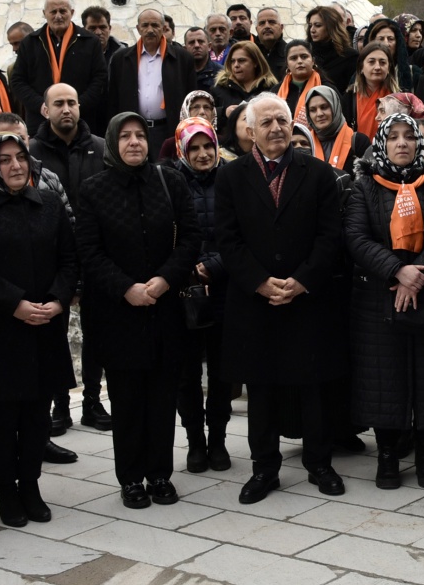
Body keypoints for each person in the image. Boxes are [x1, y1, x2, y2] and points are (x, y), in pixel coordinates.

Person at [214, 94, 348, 504]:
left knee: (312, 386)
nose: (276, 128)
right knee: (262, 388)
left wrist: (302, 280)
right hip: (254, 301)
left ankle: (319, 463)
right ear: (250, 132)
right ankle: (264, 469)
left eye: (283, 120)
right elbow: (227, 238)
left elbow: (331, 237)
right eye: (267, 122)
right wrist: (259, 281)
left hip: (306, 298)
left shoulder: (320, 174)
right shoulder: (231, 177)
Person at [0, 132, 78, 527]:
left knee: (37, 414)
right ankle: (6, 490)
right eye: (5, 159)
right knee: (2, 418)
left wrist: (58, 300)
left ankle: (31, 486)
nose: (15, 166)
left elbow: (69, 259)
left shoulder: (48, 203)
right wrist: (16, 305)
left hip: (44, 324)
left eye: (21, 157)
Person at [76, 113, 200, 508]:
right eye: (125, 136)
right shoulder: (93, 190)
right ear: (112, 141)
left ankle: (160, 474)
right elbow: (89, 253)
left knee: (163, 397)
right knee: (128, 399)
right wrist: (125, 288)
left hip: (164, 309)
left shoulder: (171, 181)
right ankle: (130, 478)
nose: (134, 142)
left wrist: (165, 279)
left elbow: (191, 237)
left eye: (140, 136)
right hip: (119, 313)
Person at [345, 112, 424, 490]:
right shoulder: (365, 186)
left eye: (410, 137)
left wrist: (417, 275)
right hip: (378, 298)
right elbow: (357, 238)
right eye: (394, 137)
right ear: (382, 144)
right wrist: (396, 270)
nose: (402, 143)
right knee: (383, 379)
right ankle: (387, 454)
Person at [28, 83, 111, 432]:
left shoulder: (101, 149)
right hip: (50, 258)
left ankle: (92, 400)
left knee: (96, 331)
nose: (67, 109)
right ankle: (59, 404)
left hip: (95, 253)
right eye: (58, 103)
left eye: (72, 103)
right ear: (45, 110)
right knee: (53, 333)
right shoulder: (31, 152)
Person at [169, 119, 233, 472]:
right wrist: (191, 268)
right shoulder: (170, 181)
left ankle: (219, 440)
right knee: (187, 372)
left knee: (223, 372)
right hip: (185, 288)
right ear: (182, 149)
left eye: (207, 145)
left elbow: (240, 233)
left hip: (224, 287)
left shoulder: (232, 179)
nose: (203, 153)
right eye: (194, 147)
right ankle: (195, 441)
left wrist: (214, 266)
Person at [10, 0, 109, 134]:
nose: (58, 16)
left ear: (72, 13)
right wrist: (42, 106)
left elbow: (100, 78)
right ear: (44, 14)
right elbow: (18, 80)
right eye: (53, 12)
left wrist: (76, 106)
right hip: (40, 122)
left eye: (63, 11)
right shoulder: (30, 43)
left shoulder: (90, 42)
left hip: (81, 122)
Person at [107, 8, 196, 156]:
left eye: (155, 25)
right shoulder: (121, 59)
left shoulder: (182, 58)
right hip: (133, 130)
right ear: (138, 28)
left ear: (163, 27)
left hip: (168, 129)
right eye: (145, 25)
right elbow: (113, 99)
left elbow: (190, 96)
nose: (150, 30)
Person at [211, 40, 278, 151]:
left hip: (265, 148)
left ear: (255, 62)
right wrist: (223, 112)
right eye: (233, 61)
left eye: (242, 61)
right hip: (229, 150)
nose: (236, 65)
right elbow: (207, 118)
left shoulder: (271, 88)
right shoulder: (219, 88)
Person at [302, 85, 369, 172]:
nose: (319, 114)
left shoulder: (359, 142)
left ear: (335, 106)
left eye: (324, 107)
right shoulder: (304, 143)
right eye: (313, 110)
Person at [307, 4, 357, 91]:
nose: (312, 30)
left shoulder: (350, 56)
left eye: (318, 25)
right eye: (310, 25)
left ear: (331, 27)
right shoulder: (306, 55)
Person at [349, 44, 395, 138]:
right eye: (371, 62)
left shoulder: (399, 98)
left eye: (382, 62)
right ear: (361, 67)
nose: (377, 67)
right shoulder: (349, 98)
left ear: (389, 68)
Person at [279, 39, 321, 120]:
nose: (299, 61)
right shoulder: (276, 92)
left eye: (304, 57)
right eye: (293, 58)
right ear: (287, 64)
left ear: (313, 60)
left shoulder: (326, 87)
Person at [251, 6, 290, 82]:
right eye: (262, 23)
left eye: (272, 22)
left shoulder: (290, 53)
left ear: (281, 27)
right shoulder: (251, 53)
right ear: (256, 29)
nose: (267, 26)